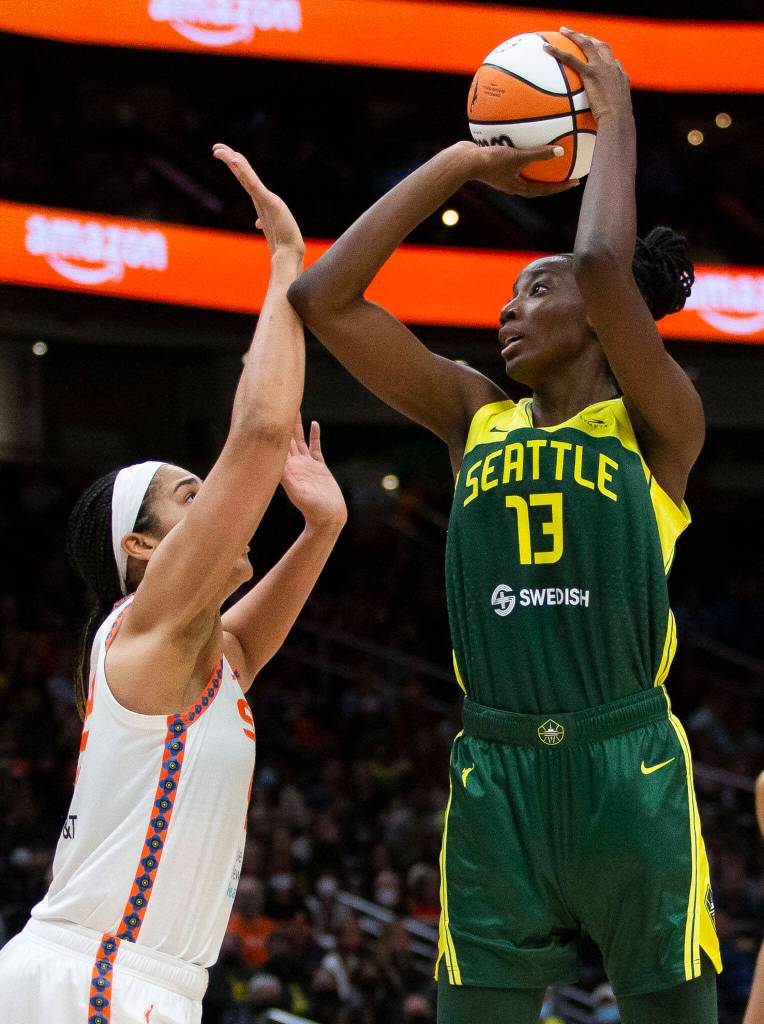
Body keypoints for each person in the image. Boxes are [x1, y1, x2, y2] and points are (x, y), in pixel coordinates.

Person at [287, 27, 721, 1024]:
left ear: (601, 322)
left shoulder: (658, 422)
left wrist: (611, 125)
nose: (505, 308)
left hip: (628, 765)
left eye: (535, 288)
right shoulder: (470, 416)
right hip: (495, 766)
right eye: (508, 293)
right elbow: (323, 298)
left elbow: (605, 265)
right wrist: (456, 162)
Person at [0, 144, 347, 1024]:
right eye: (194, 496)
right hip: (91, 979)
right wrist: (283, 265)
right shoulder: (140, 634)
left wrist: (325, 525)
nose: (223, 507)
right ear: (146, 551)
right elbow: (264, 429)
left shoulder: (212, 655)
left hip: (142, 987)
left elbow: (255, 625)